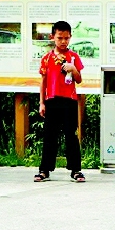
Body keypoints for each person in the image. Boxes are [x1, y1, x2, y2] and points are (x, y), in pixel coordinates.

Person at [35, 20, 84, 183]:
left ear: (70, 37)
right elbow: (43, 81)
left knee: (71, 135)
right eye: (60, 38)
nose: (63, 41)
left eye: (66, 38)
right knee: (50, 136)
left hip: (69, 101)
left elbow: (79, 79)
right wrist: (42, 103)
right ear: (53, 37)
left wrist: (73, 69)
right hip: (51, 100)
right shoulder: (47, 58)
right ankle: (44, 170)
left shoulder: (74, 57)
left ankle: (76, 170)